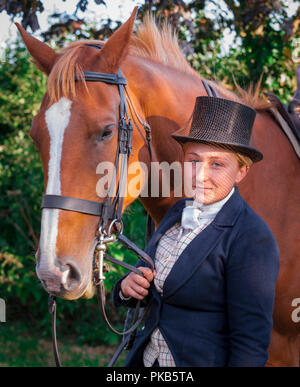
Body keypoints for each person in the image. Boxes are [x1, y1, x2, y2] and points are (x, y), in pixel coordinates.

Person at [112, 96, 280, 367]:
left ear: (241, 171)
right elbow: (155, 287)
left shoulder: (252, 238)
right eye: (194, 160)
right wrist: (125, 288)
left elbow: (250, 344)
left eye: (217, 164)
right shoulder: (177, 212)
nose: (200, 175)